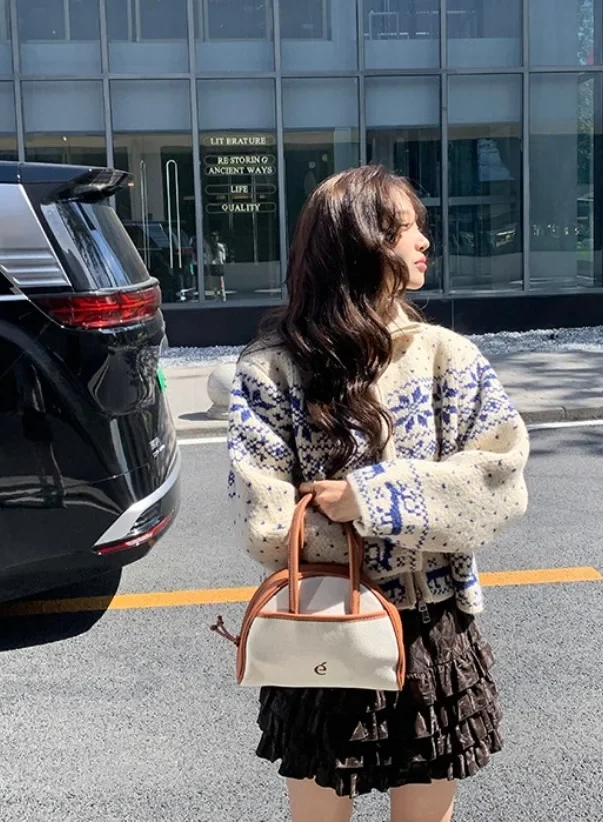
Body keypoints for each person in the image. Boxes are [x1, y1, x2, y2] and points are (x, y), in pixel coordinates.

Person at [226, 165, 529, 822]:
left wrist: (374, 500)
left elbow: (502, 484)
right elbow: (264, 523)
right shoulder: (273, 368)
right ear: (357, 245)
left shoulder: (449, 357)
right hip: (323, 623)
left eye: (420, 226)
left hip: (432, 631)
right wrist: (397, 532)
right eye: (403, 229)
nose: (424, 241)